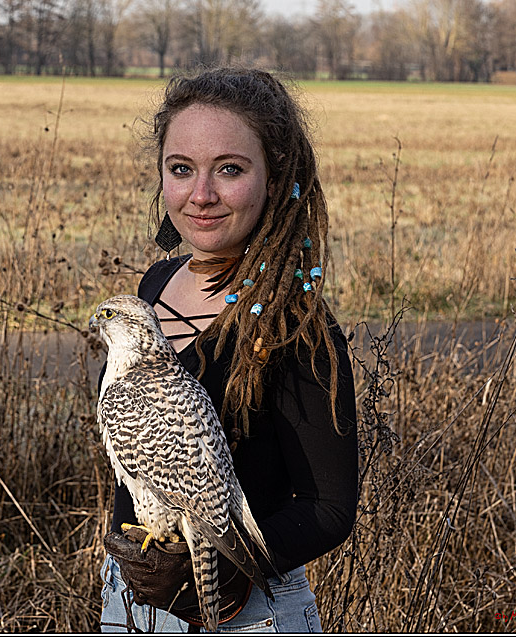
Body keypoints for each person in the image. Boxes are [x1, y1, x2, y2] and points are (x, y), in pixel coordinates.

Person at [98, 67, 358, 633]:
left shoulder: (297, 326)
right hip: (131, 602)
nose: (202, 194)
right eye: (181, 169)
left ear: (276, 175)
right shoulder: (152, 289)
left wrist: (223, 569)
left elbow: (330, 508)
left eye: (231, 170)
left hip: (246, 614)